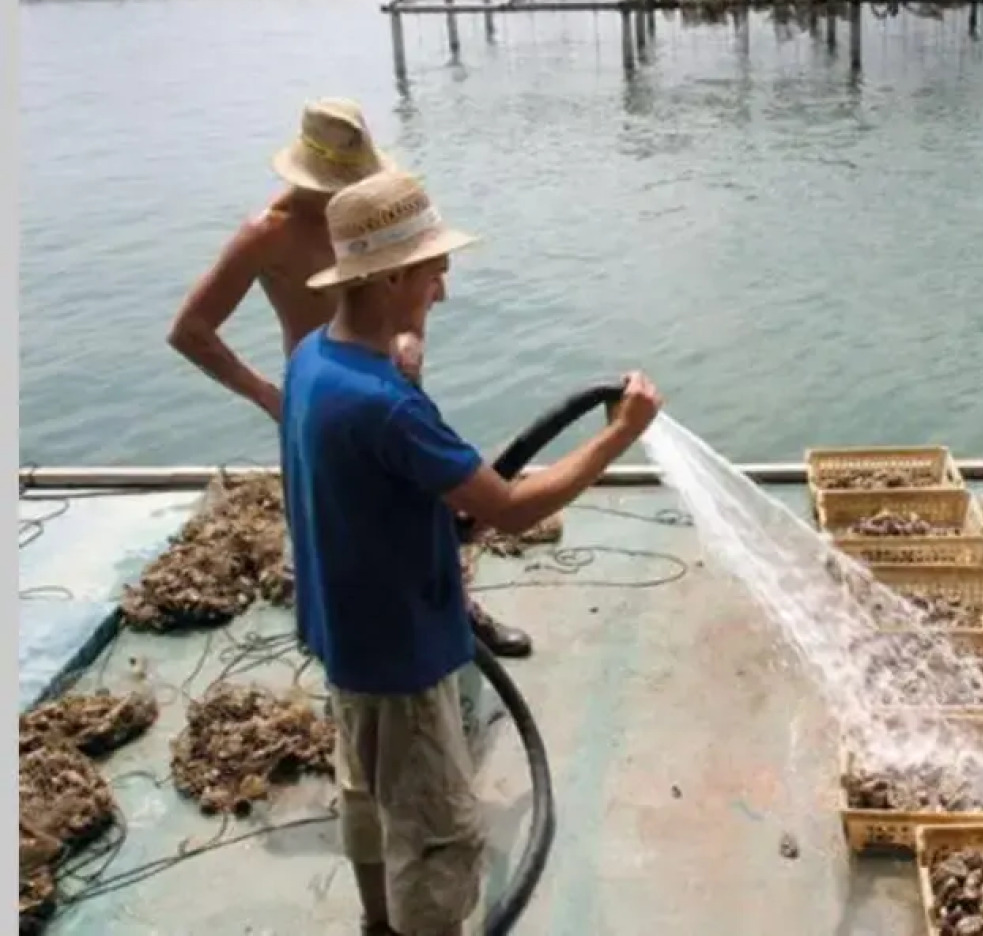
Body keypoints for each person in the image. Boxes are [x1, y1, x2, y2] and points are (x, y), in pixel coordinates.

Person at [282, 168, 663, 936]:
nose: (443, 288)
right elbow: (512, 509)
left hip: (344, 637)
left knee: (364, 794)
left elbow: (363, 484)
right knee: (438, 837)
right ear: (389, 275)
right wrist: (620, 435)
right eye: (432, 270)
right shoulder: (387, 406)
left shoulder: (313, 362)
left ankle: (376, 923)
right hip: (405, 656)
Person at [167, 97, 534, 657]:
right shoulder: (268, 233)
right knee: (337, 530)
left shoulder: (380, 216)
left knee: (431, 511)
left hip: (389, 389)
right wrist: (269, 395)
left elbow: (430, 284)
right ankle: (347, 652)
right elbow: (191, 330)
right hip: (320, 399)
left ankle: (459, 613)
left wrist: (410, 342)